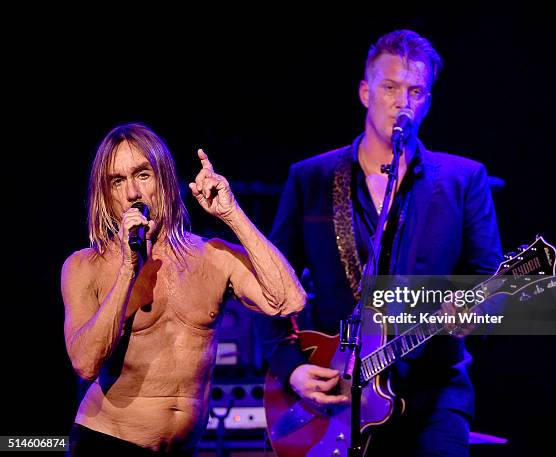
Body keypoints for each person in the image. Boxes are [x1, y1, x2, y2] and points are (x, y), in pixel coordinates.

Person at [258, 29, 503, 456]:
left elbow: (491, 284)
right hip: (333, 397)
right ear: (365, 91)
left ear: (427, 100)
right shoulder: (311, 179)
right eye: (390, 87)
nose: (402, 101)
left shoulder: (464, 181)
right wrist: (292, 370)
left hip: (435, 396)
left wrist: (477, 314)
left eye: (415, 91)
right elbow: (268, 287)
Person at [61, 123, 306, 456]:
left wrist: (231, 214)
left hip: (183, 449)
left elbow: (289, 300)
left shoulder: (213, 257)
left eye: (142, 175)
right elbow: (85, 364)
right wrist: (127, 271)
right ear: (106, 195)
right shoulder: (85, 266)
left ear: (163, 178)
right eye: (118, 181)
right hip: (107, 442)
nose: (132, 192)